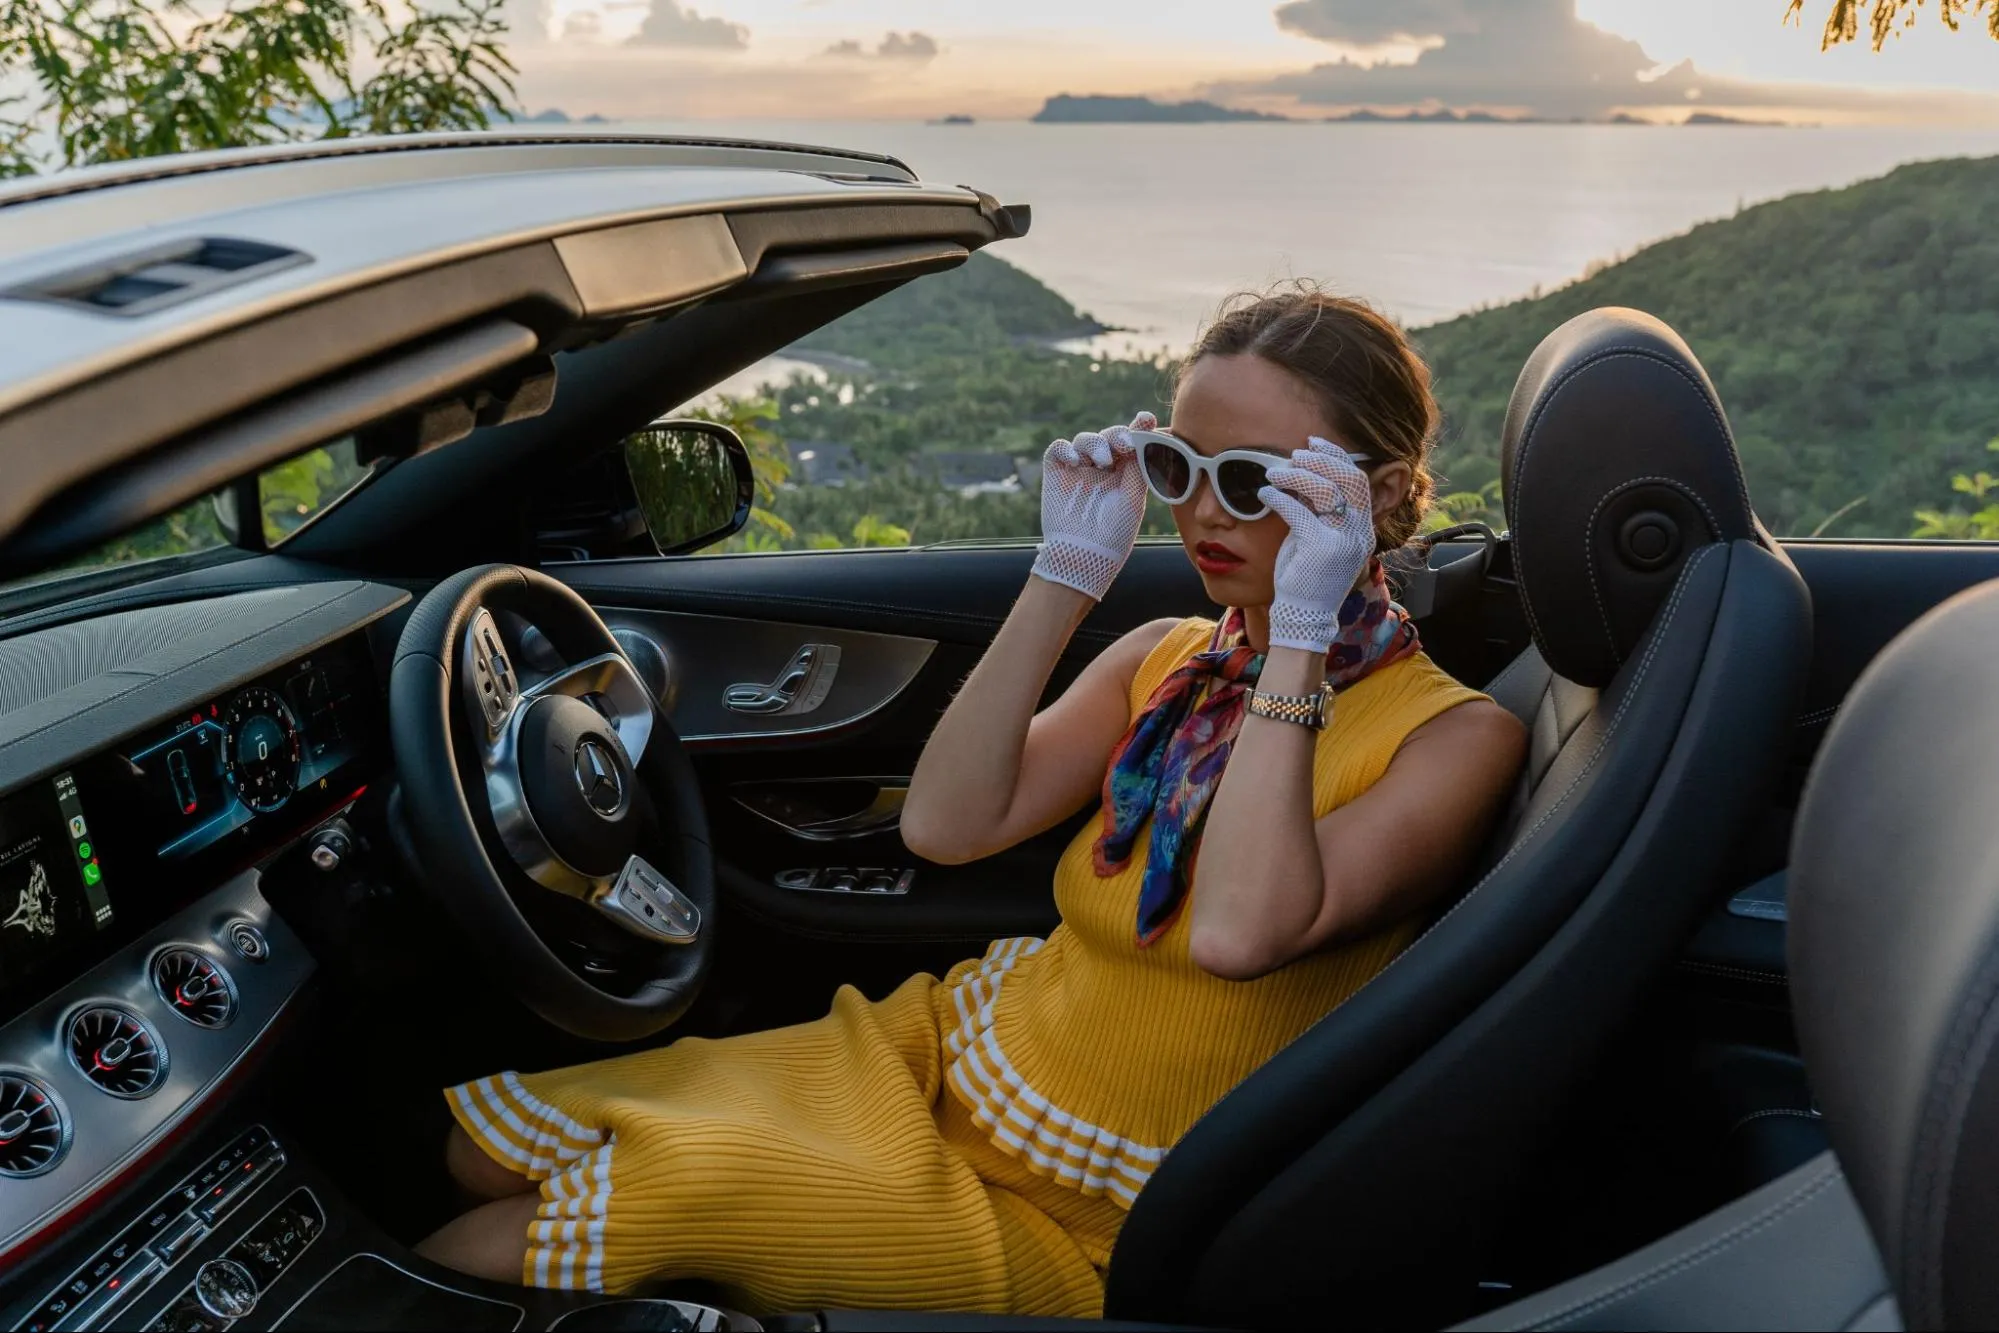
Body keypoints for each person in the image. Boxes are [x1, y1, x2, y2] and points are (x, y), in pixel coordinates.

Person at [417, 286, 1528, 1317]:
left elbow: (1241, 931)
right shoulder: (1165, 656)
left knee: (514, 1240)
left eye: (1252, 482)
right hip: (952, 1054)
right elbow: (945, 826)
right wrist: (1064, 572)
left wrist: (1296, 636)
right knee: (485, 1152)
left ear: (1373, 496)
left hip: (1081, 1205)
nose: (1200, 511)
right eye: (1181, 467)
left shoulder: (1454, 739)